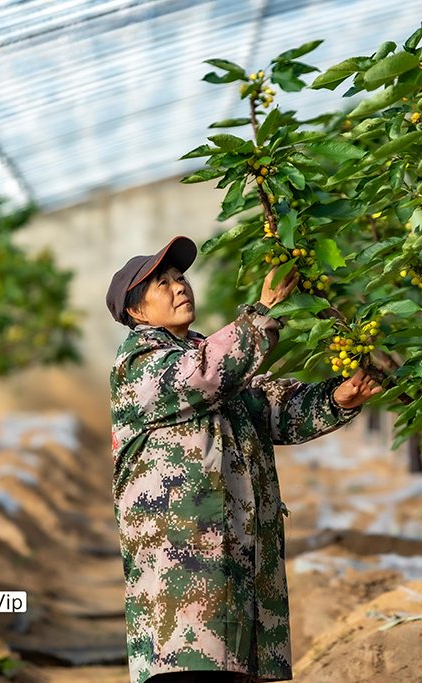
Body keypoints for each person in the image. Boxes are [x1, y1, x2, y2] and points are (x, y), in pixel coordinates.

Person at [106, 235, 381, 683]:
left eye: (180, 278)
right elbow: (208, 374)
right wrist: (263, 312)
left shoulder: (209, 358)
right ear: (136, 311)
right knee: (192, 668)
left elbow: (274, 409)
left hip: (238, 558)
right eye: (163, 283)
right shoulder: (139, 364)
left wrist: (339, 396)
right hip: (184, 569)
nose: (180, 287)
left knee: (233, 669)